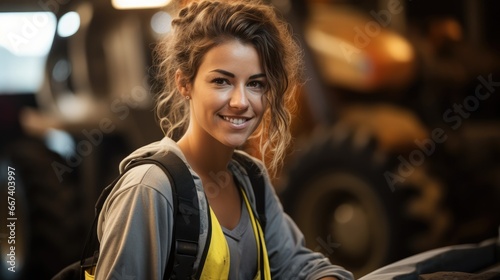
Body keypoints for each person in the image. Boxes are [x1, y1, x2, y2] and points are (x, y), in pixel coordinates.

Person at [94, 0, 354, 279]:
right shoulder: (150, 189)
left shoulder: (251, 180)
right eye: (221, 81)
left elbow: (297, 266)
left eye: (256, 84)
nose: (241, 102)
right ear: (184, 83)